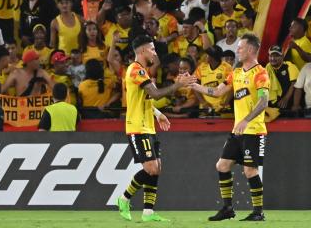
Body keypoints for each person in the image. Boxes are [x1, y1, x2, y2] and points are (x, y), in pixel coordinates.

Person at [116, 35, 196, 222]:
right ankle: (124, 198)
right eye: (152, 49)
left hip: (148, 126)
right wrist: (179, 84)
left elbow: (145, 99)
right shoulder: (136, 70)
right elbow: (156, 93)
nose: (154, 52)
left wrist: (158, 113)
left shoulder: (141, 70)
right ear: (142, 50)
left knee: (156, 168)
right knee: (151, 168)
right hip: (137, 127)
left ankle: (148, 212)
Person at [191, 33, 269, 221]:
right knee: (222, 165)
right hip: (237, 131)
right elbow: (217, 92)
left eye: (240, 48)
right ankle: (227, 208)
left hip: (254, 131)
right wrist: (194, 84)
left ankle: (258, 212)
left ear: (251, 50)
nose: (238, 51)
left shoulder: (261, 73)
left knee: (250, 171)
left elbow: (264, 101)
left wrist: (246, 120)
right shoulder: (236, 73)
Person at [266, 45, 299, 110]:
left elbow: (295, 84)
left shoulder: (289, 66)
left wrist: (286, 98)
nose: (273, 58)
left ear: (282, 56)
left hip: (288, 105)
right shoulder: (267, 68)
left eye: (276, 56)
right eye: (271, 56)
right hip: (271, 106)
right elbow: (262, 86)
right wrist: (261, 100)